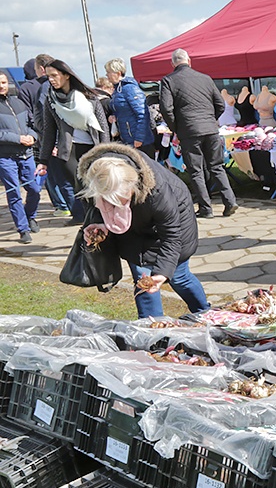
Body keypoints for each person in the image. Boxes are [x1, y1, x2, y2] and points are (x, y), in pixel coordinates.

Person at [79, 143, 210, 319]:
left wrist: (162, 272)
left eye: (120, 200)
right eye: (108, 202)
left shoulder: (158, 191)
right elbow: (94, 209)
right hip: (133, 231)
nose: (114, 206)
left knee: (178, 276)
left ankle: (205, 313)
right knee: (143, 279)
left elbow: (172, 235)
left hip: (174, 223)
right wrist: (101, 223)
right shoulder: (93, 177)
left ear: (132, 185)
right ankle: (150, 331)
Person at [160, 49, 238, 219]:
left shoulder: (168, 81)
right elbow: (220, 104)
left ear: (172, 64)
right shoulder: (205, 78)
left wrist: (176, 128)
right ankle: (230, 201)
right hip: (210, 129)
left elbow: (166, 108)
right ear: (189, 61)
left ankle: (206, 208)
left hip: (189, 131)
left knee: (195, 171)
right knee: (217, 166)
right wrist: (211, 119)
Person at [35, 59, 110, 226]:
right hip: (69, 153)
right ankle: (91, 226)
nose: (51, 80)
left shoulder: (89, 98)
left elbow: (103, 128)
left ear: (66, 75)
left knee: (98, 191)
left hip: (93, 151)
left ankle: (102, 225)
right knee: (83, 193)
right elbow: (49, 133)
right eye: (48, 76)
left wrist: (106, 153)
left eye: (54, 75)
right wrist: (43, 161)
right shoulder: (51, 101)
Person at [18, 54, 70, 217]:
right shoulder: (62, 85)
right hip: (66, 139)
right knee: (66, 175)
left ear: (41, 68)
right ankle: (72, 207)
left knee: (53, 176)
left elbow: (29, 115)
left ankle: (64, 206)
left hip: (45, 138)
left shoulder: (29, 88)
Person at [0, 72, 41, 244]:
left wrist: (32, 136)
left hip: (27, 154)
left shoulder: (18, 102)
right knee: (14, 192)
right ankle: (23, 229)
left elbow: (32, 124)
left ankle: (30, 216)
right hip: (5, 156)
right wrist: (18, 139)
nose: (1, 85)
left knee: (35, 189)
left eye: (3, 82)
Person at [104, 58, 155, 158]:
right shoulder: (118, 90)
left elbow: (143, 114)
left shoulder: (130, 88)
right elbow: (123, 110)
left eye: (109, 72)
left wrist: (139, 138)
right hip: (127, 139)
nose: (107, 75)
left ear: (118, 73)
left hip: (139, 142)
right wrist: (114, 116)